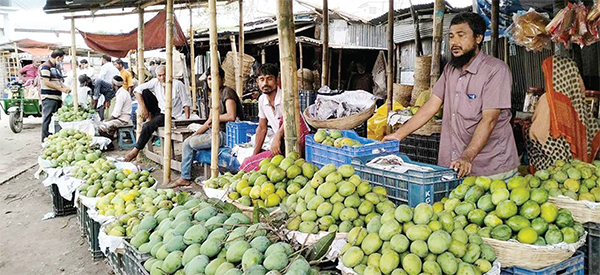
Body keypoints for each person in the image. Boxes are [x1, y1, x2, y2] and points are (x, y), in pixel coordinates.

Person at [383, 12, 519, 179]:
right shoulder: (450, 70)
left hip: (492, 169)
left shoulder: (496, 70)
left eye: (461, 36)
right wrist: (398, 135)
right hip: (454, 166)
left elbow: (489, 119)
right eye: (451, 36)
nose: (454, 42)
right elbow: (432, 105)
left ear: (478, 38)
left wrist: (467, 156)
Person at [168, 67, 242, 187]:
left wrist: (214, 118)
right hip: (213, 131)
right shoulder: (214, 95)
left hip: (227, 134)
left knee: (192, 144)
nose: (211, 81)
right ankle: (184, 177)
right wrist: (197, 132)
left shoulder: (227, 92)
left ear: (222, 79)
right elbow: (209, 121)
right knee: (188, 141)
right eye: (209, 79)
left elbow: (231, 116)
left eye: (215, 78)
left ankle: (185, 177)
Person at [528, 56, 600, 170]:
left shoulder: (548, 100)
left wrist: (557, 153)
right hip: (577, 167)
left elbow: (538, 132)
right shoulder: (579, 101)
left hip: (553, 166)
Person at [239, 63, 310, 171]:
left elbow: (291, 120)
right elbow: (262, 129)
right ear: (257, 82)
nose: (265, 83)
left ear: (277, 80)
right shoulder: (262, 100)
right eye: (261, 79)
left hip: (298, 143)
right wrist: (254, 154)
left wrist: (277, 136)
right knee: (248, 164)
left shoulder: (286, 97)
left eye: (269, 79)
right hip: (282, 145)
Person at [124, 65, 192, 161]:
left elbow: (186, 103)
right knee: (145, 92)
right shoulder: (156, 82)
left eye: (164, 75)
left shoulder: (178, 84)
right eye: (159, 76)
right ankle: (150, 117)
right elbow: (137, 90)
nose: (161, 78)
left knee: (147, 126)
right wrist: (144, 108)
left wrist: (186, 121)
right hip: (159, 111)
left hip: (171, 116)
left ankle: (135, 150)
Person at [41, 49, 70, 141]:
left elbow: (59, 81)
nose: (62, 61)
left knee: (56, 119)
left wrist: (65, 87)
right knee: (47, 118)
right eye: (62, 59)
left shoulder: (56, 68)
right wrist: (61, 89)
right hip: (49, 97)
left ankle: (53, 137)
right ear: (58, 57)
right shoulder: (45, 67)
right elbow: (46, 82)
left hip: (57, 97)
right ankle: (44, 139)